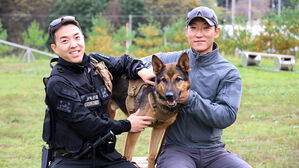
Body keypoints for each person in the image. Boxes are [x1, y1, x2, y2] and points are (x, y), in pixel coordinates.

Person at [141, 6, 252, 168]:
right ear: (187, 31)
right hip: (176, 150)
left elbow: (226, 116)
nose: (199, 34)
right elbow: (133, 62)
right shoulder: (171, 60)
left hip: (213, 151)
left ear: (216, 32)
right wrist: (140, 70)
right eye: (193, 28)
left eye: (206, 28)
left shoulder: (228, 72)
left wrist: (190, 99)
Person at [42, 16, 155, 168]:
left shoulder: (95, 62)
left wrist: (141, 71)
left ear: (83, 38)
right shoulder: (57, 83)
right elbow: (87, 124)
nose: (73, 45)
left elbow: (123, 62)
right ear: (54, 48)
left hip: (105, 155)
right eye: (65, 41)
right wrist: (127, 125)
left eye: (77, 37)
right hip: (72, 160)